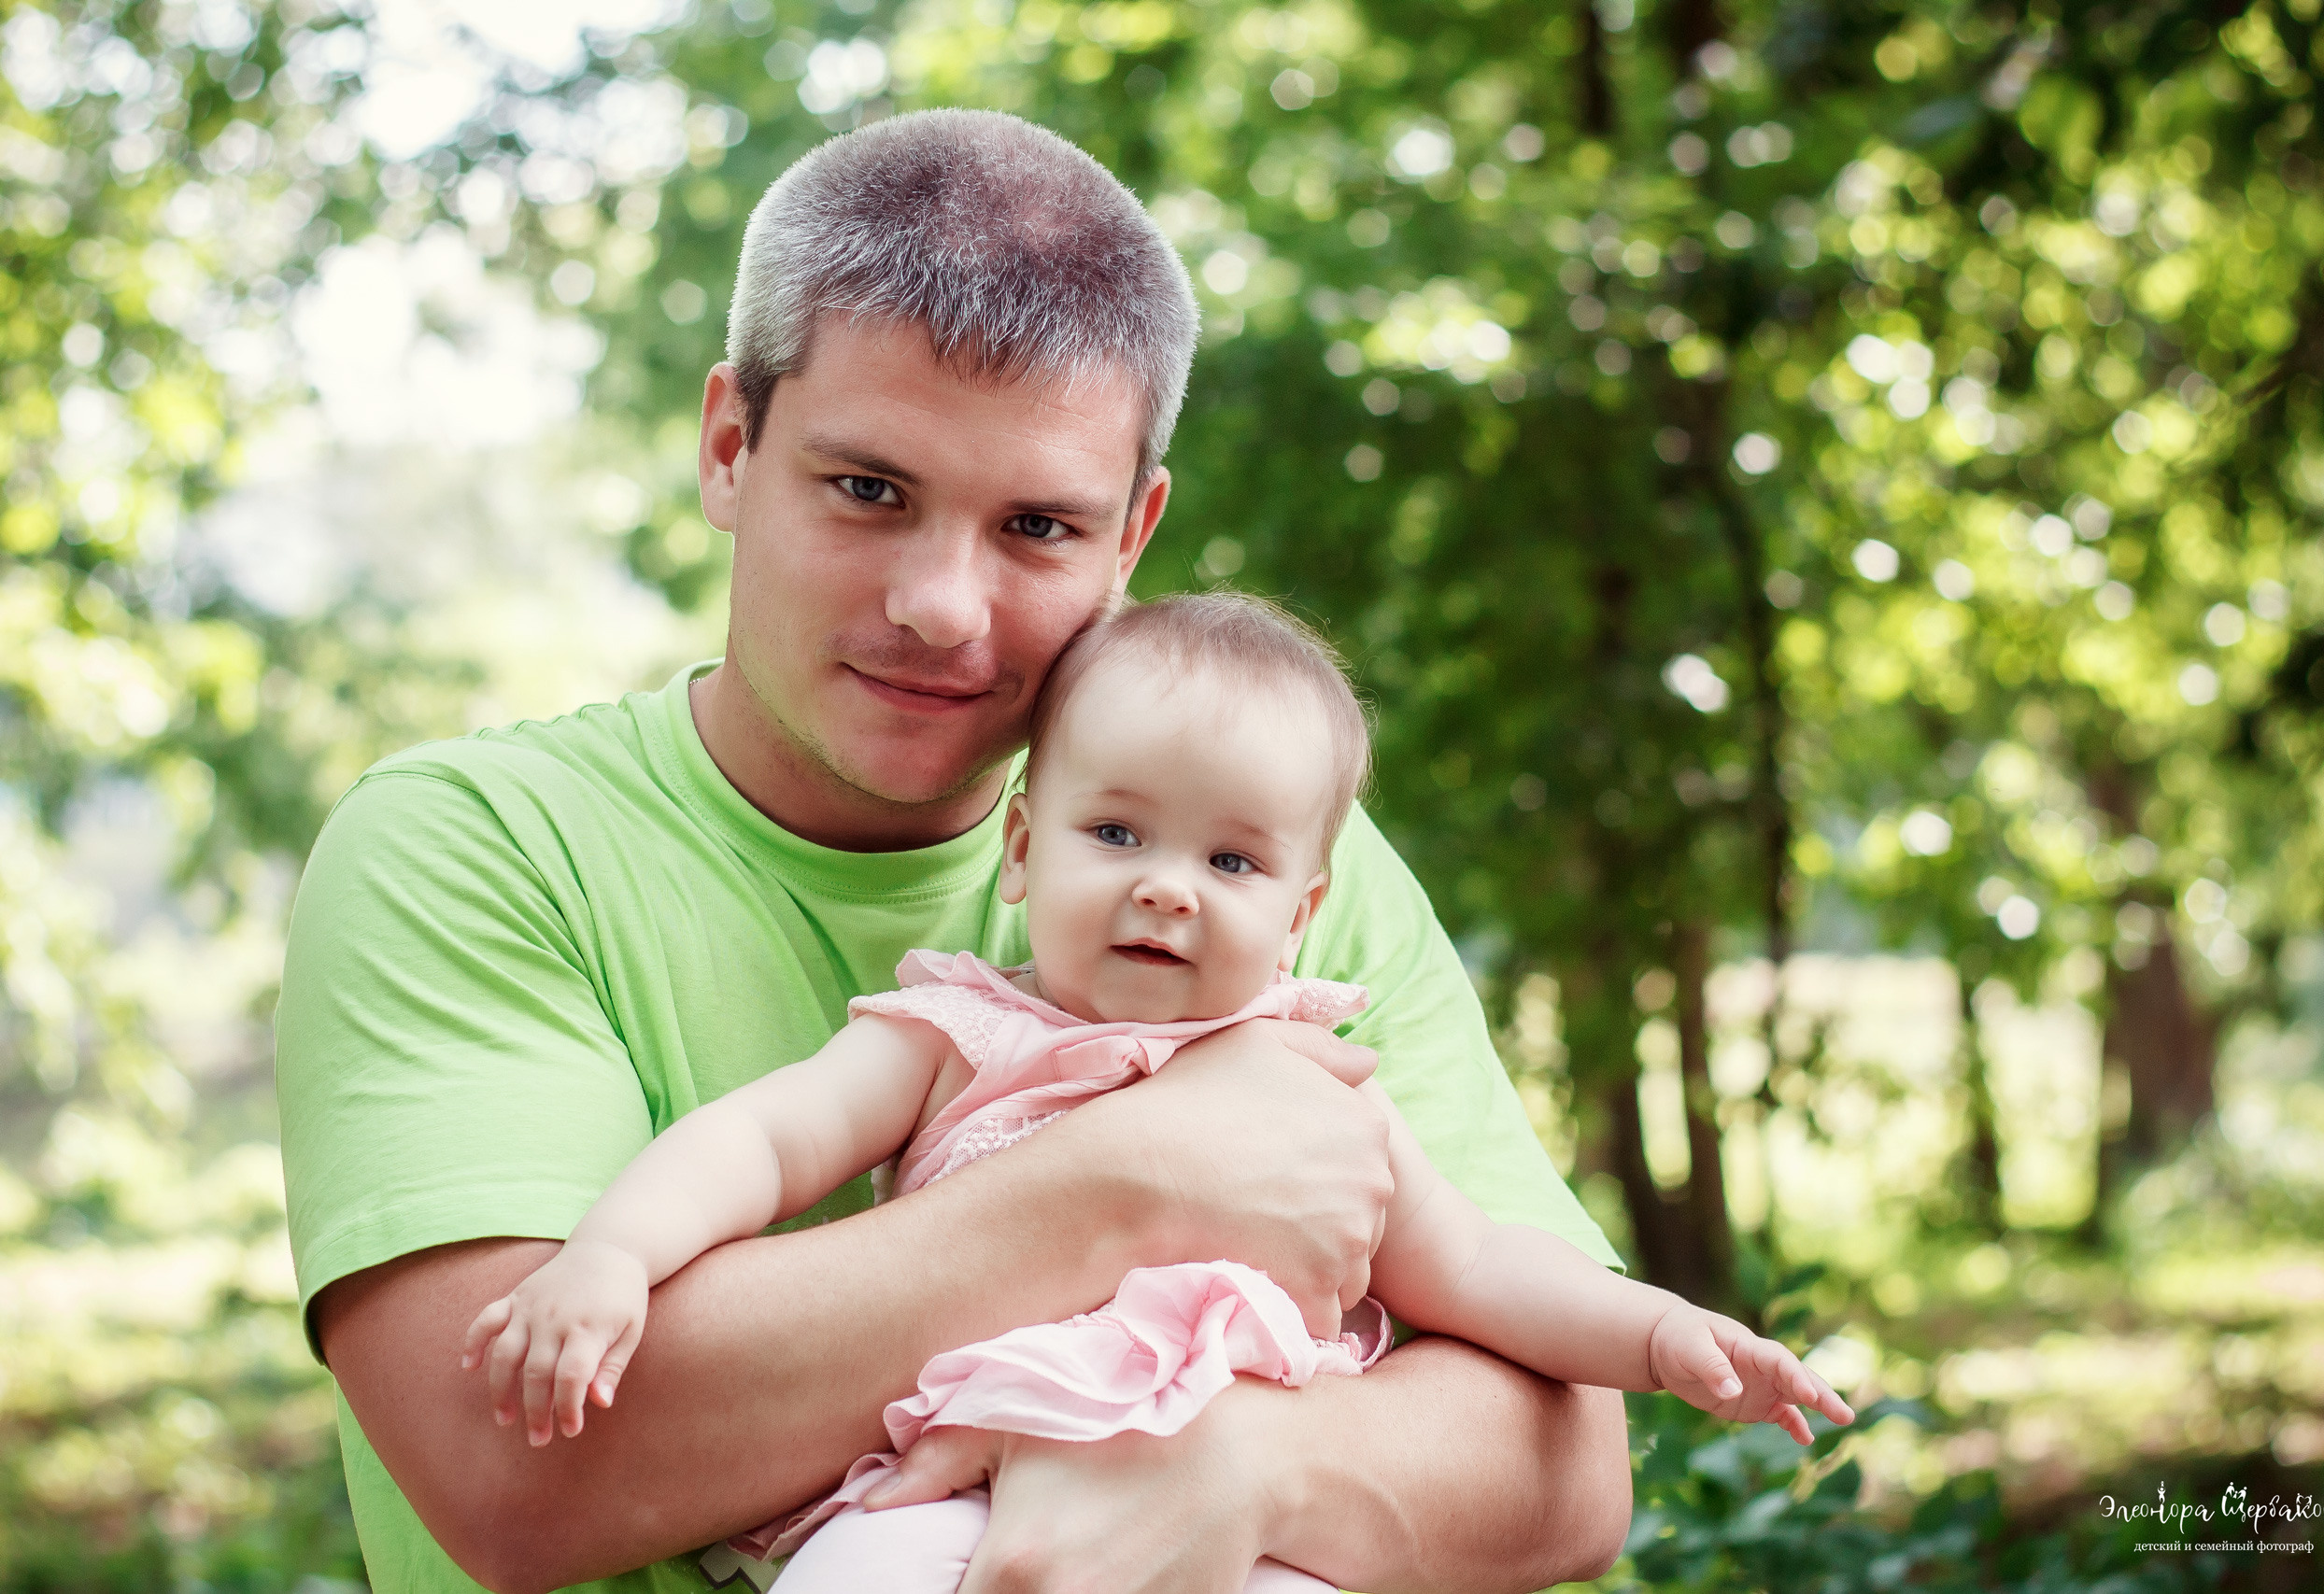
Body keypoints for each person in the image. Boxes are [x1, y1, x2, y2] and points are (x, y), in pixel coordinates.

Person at [276, 108, 1659, 1594]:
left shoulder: (1249, 855)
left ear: (1133, 537)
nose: (944, 604)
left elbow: (1569, 1471)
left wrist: (1244, 1470)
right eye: (870, 491)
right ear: (733, 446)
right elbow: (515, 1477)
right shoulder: (476, 851)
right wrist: (1139, 1178)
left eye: (1039, 527)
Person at [458, 593, 1855, 1593]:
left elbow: (1483, 1269)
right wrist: (615, 1257)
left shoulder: (1322, 1093)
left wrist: (1665, 1336)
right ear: (1021, 847)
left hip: (1244, 1525)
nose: (1164, 886)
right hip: (952, 1487)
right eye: (1115, 831)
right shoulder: (956, 1032)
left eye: (1232, 864)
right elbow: (764, 1140)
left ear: (1306, 910)